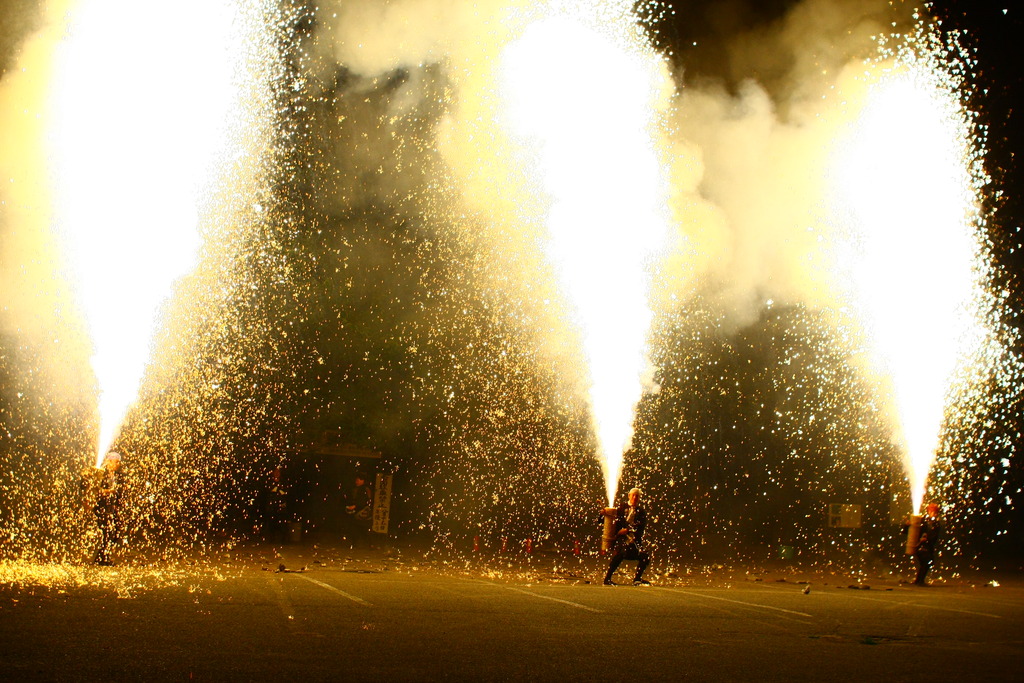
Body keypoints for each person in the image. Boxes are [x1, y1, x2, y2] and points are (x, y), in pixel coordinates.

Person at [603, 487, 651, 586]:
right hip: (621, 540)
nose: (634, 497)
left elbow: (641, 526)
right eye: (633, 495)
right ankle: (607, 579)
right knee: (620, 554)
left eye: (637, 496)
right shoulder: (621, 508)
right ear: (629, 496)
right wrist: (603, 515)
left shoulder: (641, 512)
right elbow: (610, 520)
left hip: (634, 540)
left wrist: (628, 530)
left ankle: (637, 579)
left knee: (645, 557)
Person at [93, 451, 123, 566]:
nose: (118, 465)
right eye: (116, 462)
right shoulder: (100, 474)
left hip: (113, 507)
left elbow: (121, 491)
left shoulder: (119, 476)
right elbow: (94, 490)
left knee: (116, 531)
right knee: (107, 532)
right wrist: (107, 491)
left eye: (119, 463)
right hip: (102, 507)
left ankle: (103, 556)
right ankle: (102, 558)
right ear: (109, 462)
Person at [907, 502, 942, 585]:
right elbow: (911, 531)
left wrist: (927, 539)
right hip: (921, 546)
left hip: (927, 546)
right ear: (929, 512)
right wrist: (908, 525)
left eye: (935, 512)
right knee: (926, 562)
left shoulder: (936, 523)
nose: (934, 514)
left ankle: (919, 580)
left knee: (926, 563)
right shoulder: (923, 521)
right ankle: (919, 581)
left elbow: (934, 536)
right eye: (932, 512)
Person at [345, 472, 373, 549]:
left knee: (364, 528)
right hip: (355, 511)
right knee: (354, 528)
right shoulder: (354, 488)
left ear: (362, 480)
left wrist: (356, 506)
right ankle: (355, 543)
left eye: (358, 480)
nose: (356, 481)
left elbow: (365, 500)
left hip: (363, 511)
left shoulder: (366, 489)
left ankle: (369, 544)